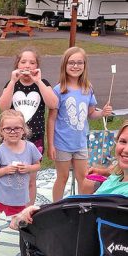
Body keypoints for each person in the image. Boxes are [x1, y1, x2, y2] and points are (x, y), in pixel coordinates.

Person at [0, 120, 128, 256]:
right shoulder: (117, 178)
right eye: (123, 141)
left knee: (35, 224)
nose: (125, 149)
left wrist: (36, 212)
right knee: (61, 221)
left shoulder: (118, 196)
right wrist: (104, 172)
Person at [47, 46, 112, 202]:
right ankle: (56, 208)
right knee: (62, 178)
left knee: (83, 178)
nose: (75, 66)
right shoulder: (58, 90)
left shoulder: (88, 88)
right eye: (71, 63)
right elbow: (51, 119)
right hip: (62, 143)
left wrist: (102, 113)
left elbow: (91, 113)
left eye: (79, 63)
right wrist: (51, 145)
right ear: (65, 65)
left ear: (84, 65)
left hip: (81, 143)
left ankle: (81, 206)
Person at [0, 47, 58, 205]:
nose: (27, 65)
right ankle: (11, 205)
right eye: (23, 61)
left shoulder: (42, 83)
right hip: (12, 139)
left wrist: (38, 80)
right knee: (10, 176)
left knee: (30, 179)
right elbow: (3, 107)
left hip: (34, 140)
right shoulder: (12, 84)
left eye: (32, 62)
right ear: (17, 65)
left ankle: (27, 210)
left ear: (37, 66)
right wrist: (12, 81)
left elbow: (53, 104)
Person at [0, 110, 41, 256]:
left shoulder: (30, 147)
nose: (13, 132)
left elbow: (37, 165)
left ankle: (28, 249)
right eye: (8, 129)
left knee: (25, 223)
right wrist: (5, 170)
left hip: (19, 196)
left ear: (24, 129)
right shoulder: (0, 151)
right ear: (1, 131)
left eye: (17, 128)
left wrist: (28, 168)